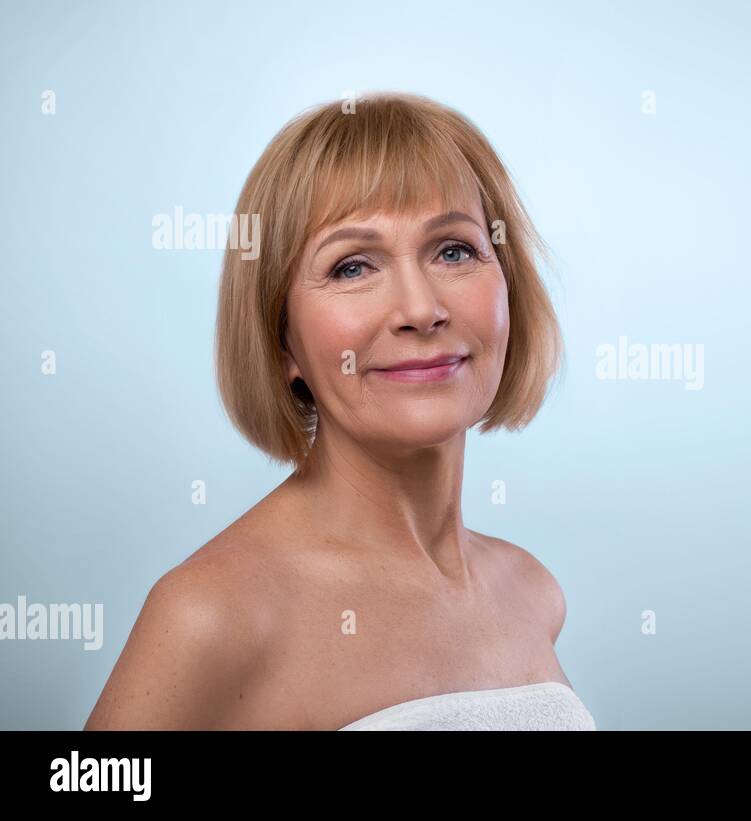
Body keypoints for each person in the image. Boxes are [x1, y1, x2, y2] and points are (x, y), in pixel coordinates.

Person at [84, 92, 594, 730]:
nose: (420, 308)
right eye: (353, 266)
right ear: (283, 339)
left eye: (455, 251)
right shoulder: (212, 614)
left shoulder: (531, 592)